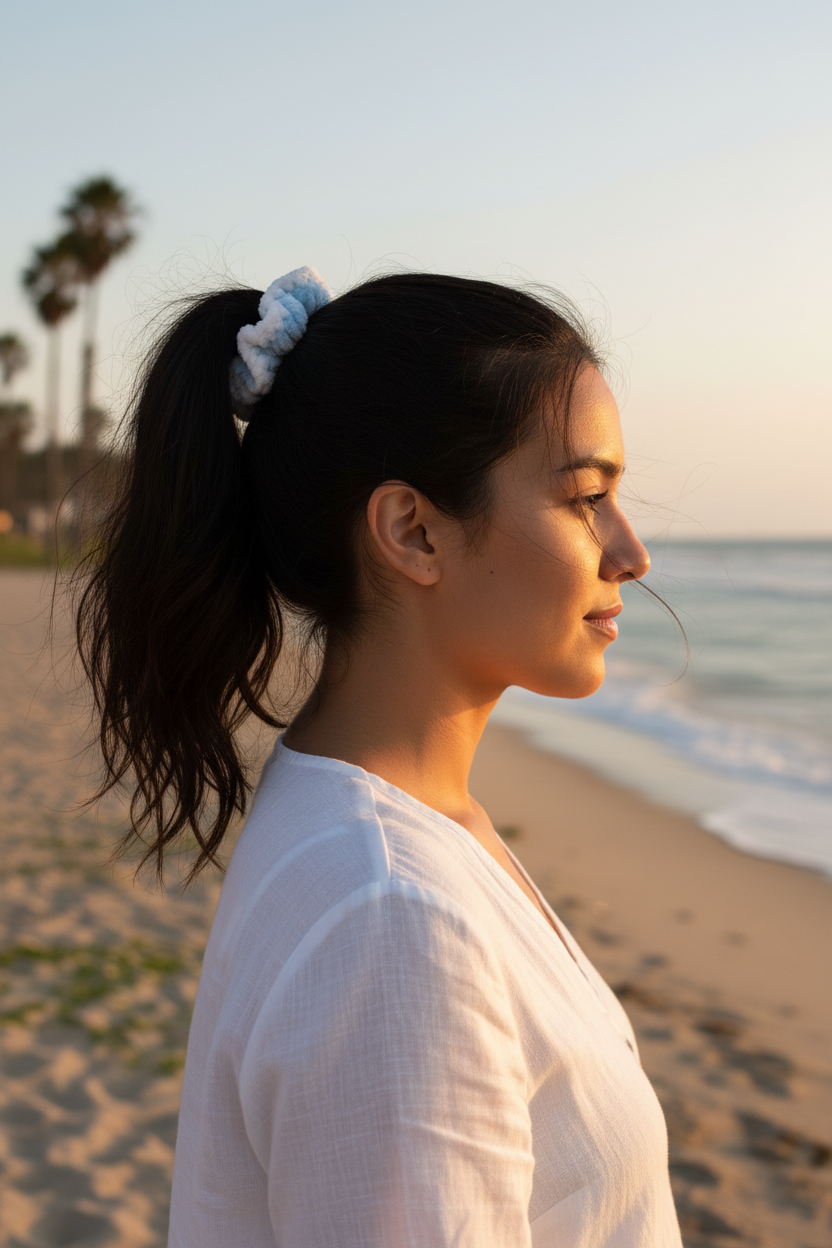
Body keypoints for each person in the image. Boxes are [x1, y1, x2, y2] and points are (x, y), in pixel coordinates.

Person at [76, 268, 683, 1246]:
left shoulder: (397, 831)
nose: (630, 551)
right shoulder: (392, 918)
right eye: (584, 497)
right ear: (412, 530)